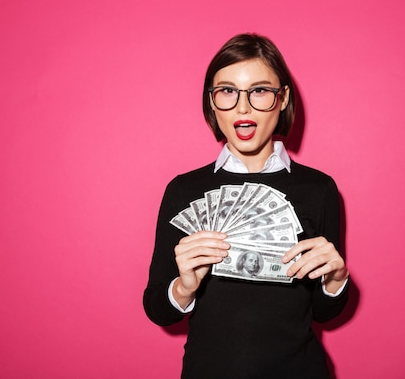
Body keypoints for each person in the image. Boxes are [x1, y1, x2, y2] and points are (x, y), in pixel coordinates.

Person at [143, 33, 350, 379]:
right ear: (212, 102)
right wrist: (184, 287)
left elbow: (323, 312)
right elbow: (158, 309)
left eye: (259, 91)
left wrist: (335, 279)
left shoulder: (319, 189)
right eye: (227, 91)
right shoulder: (183, 191)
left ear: (282, 99)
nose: (242, 107)